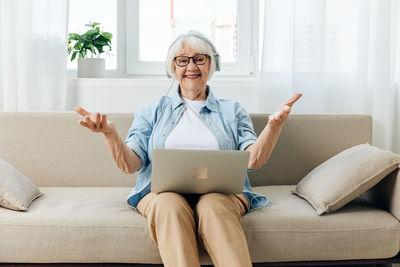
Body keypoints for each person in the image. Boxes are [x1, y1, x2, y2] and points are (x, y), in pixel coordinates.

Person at [75, 31, 301, 267]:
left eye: (199, 59)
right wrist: (110, 135)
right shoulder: (152, 111)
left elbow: (252, 161)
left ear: (211, 64)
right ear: (173, 68)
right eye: (182, 60)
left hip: (222, 195)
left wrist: (274, 126)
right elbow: (131, 164)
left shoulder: (232, 110)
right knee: (169, 205)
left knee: (213, 205)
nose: (191, 66)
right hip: (162, 195)